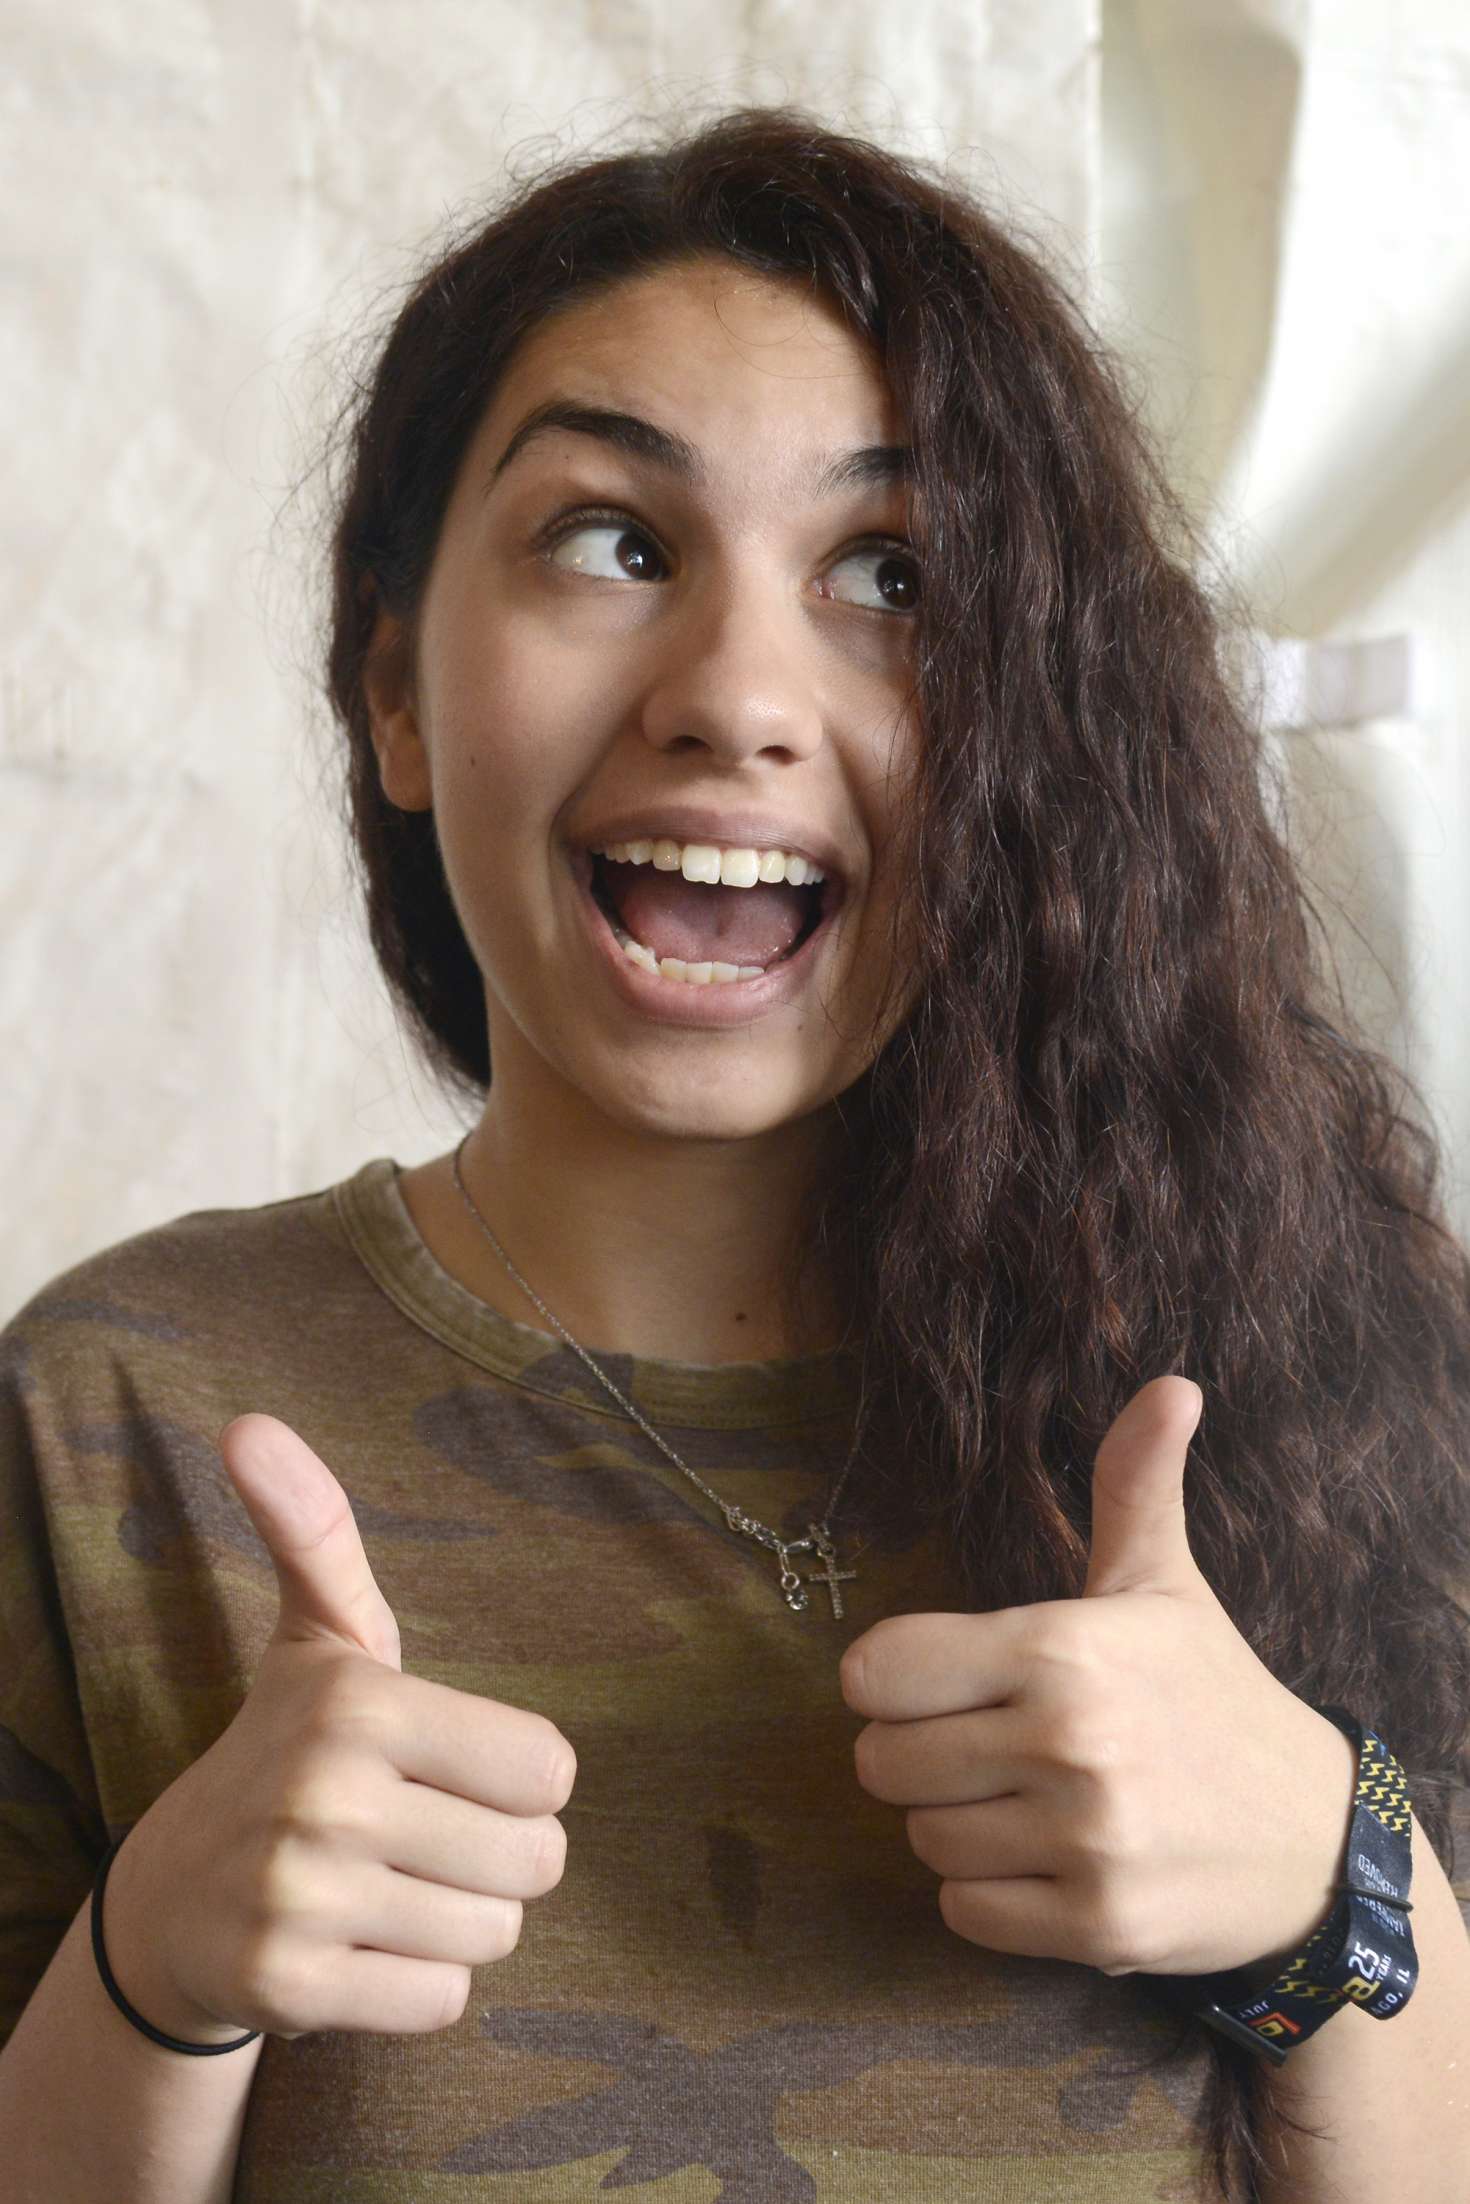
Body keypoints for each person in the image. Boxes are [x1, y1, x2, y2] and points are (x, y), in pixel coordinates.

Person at [1, 103, 1467, 2204]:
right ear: (393, 681)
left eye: (893, 573)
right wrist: (154, 1981)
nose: (740, 695)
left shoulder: (1342, 1389)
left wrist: (1343, 1888)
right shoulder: (108, 1419)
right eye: (614, 539)